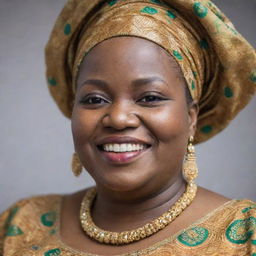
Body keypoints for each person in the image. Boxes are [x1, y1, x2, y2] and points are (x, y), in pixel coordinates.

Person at [0, 0, 255, 255]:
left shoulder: (244, 237)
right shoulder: (19, 226)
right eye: (95, 99)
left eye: (150, 97)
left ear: (191, 118)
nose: (119, 118)